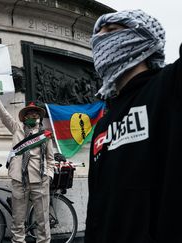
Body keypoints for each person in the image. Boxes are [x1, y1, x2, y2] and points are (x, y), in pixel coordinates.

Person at [85, 9, 182, 243]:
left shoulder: (171, 86)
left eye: (111, 30)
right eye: (97, 33)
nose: (99, 38)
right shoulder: (102, 126)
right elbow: (96, 203)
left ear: (143, 38)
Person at [0, 80, 55, 243]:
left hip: (40, 180)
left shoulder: (45, 136)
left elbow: (50, 159)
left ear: (39, 116)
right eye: (29, 114)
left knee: (42, 222)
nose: (32, 116)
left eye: (35, 114)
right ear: (24, 117)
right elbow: (3, 115)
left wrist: (49, 176)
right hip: (19, 181)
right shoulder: (16, 129)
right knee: (18, 222)